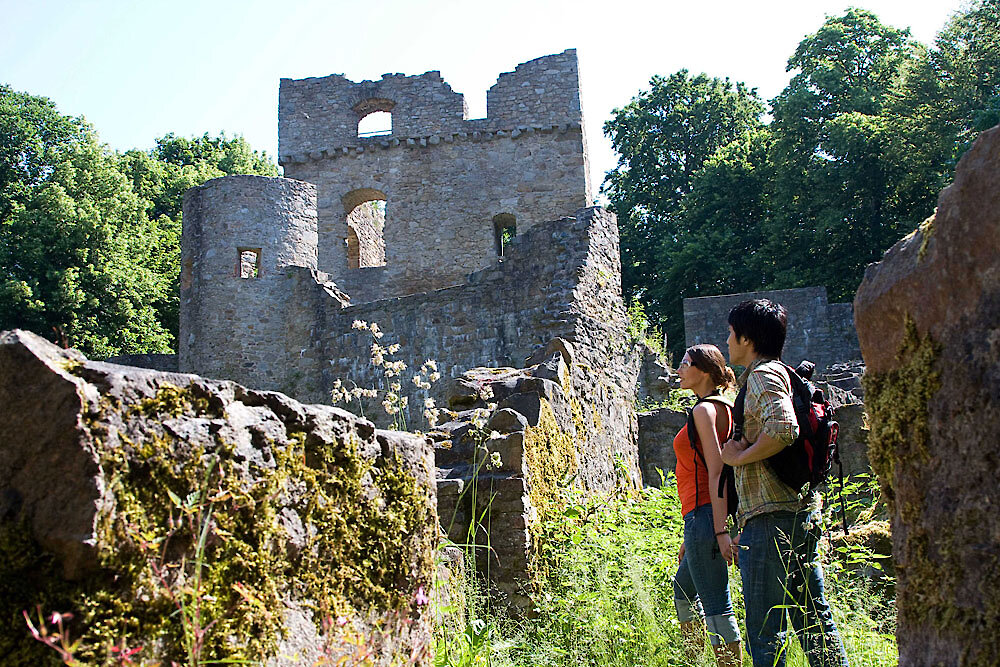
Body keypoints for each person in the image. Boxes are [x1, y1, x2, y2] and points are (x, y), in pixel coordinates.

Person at [720, 299, 848, 667]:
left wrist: (737, 457)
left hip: (770, 518)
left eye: (731, 333)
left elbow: (783, 428)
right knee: (814, 622)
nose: (727, 341)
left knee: (765, 631)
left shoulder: (762, 376)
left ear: (746, 338)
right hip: (797, 515)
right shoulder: (781, 372)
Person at [672, 344, 743, 667]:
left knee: (717, 605)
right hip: (701, 520)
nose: (679, 370)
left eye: (685, 364)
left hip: (706, 517)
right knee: (683, 591)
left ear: (702, 371)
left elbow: (716, 470)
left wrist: (718, 530)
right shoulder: (724, 406)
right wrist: (694, 535)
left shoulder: (703, 411)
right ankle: (696, 660)